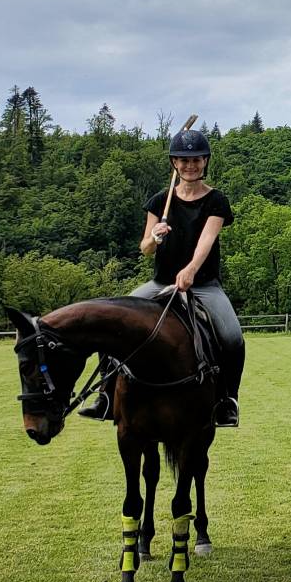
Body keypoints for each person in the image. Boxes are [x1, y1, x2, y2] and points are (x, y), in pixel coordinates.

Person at [78, 129, 245, 427]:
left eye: (196, 159)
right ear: (174, 163)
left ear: (205, 161)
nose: (190, 165)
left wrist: (191, 269)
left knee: (233, 337)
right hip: (160, 283)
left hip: (204, 285)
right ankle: (105, 395)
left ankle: (227, 401)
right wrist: (154, 238)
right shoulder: (159, 201)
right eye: (183, 159)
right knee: (113, 321)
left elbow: (207, 240)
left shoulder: (217, 201)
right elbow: (144, 249)